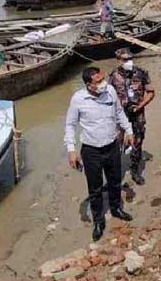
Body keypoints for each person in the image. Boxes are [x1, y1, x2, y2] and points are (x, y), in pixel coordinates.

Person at [64, 67, 135, 241]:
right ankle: (98, 220)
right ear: (88, 84)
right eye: (98, 81)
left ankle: (116, 208)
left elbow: (119, 113)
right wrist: (71, 151)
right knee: (94, 188)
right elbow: (70, 125)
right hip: (91, 150)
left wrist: (129, 130)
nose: (103, 83)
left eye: (103, 79)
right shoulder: (78, 99)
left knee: (115, 180)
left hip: (111, 145)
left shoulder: (110, 91)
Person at [108, 48, 155, 185]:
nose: (128, 62)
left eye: (130, 58)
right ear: (118, 60)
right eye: (125, 59)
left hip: (137, 114)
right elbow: (107, 96)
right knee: (115, 143)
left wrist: (141, 105)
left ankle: (135, 170)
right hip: (119, 115)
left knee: (138, 140)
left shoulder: (141, 73)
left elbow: (151, 92)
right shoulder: (113, 76)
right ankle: (114, 175)